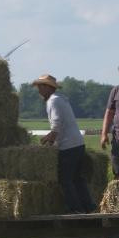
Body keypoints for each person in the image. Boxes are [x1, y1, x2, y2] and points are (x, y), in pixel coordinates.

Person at [32, 74, 96, 214]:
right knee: (77, 179)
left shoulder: (53, 101)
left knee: (65, 179)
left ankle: (76, 209)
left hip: (68, 146)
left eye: (41, 87)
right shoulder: (60, 99)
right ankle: (89, 207)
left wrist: (49, 140)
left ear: (48, 87)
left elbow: (56, 124)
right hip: (78, 143)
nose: (39, 90)